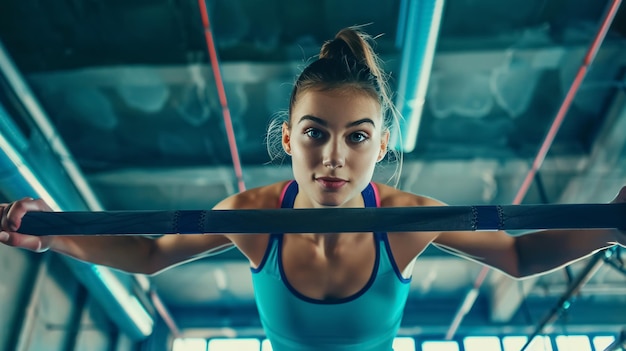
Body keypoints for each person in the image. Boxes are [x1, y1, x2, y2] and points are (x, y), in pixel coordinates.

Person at [1, 27, 625, 351]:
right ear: (288, 138)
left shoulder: (408, 222)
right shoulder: (251, 217)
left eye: (357, 138)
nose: (332, 157)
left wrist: (613, 221)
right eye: (314, 134)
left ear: (381, 147)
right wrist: (55, 233)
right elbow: (149, 256)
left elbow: (518, 258)